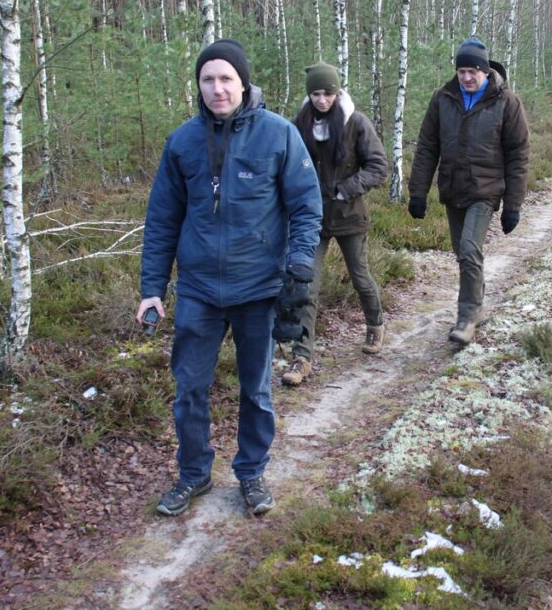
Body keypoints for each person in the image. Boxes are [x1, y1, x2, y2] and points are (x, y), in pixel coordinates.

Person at [136, 39, 322, 515]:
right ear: (198, 85)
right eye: (207, 80)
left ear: (243, 82)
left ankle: (252, 474)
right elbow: (161, 220)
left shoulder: (278, 135)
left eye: (226, 79)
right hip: (199, 288)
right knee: (189, 388)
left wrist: (299, 262)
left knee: (255, 389)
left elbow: (306, 206)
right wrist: (152, 289)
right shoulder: (181, 143)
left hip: (258, 287)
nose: (217, 89)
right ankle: (194, 474)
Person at [407, 38, 530, 345]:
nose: (467, 77)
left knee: (469, 249)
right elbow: (427, 147)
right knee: (463, 254)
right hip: (452, 188)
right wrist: (417, 192)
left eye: (473, 71)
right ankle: (474, 306)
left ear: (485, 71)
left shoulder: (506, 102)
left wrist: (513, 204)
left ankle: (466, 318)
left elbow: (518, 155)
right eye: (462, 71)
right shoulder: (443, 99)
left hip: (485, 190)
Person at [280, 63, 389, 386]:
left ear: (337, 92)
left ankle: (375, 324)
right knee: (306, 285)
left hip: (349, 215)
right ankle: (302, 357)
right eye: (316, 93)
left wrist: (347, 188)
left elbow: (378, 166)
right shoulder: (297, 126)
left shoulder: (356, 122)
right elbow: (283, 165)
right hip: (310, 220)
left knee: (360, 277)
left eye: (328, 93)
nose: (322, 100)